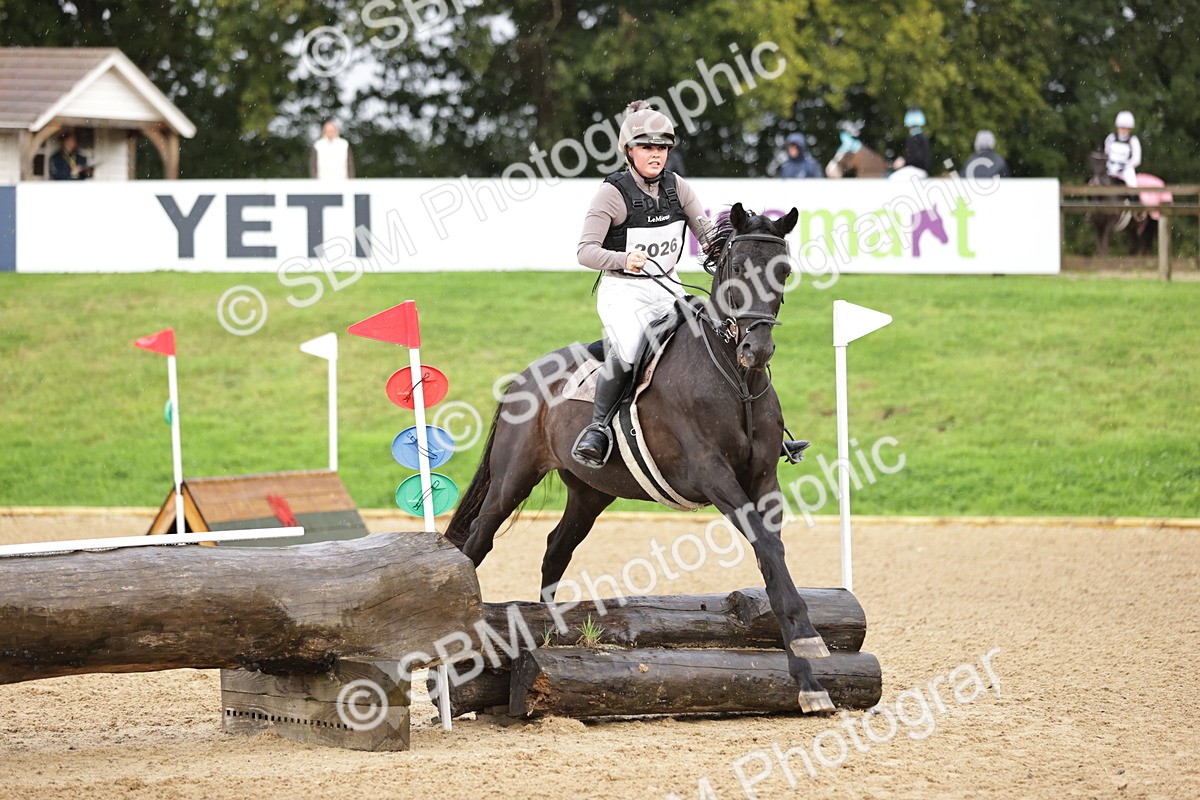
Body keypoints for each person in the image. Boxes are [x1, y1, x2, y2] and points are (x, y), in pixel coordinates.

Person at [572, 100, 715, 468]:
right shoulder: (612, 194)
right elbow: (585, 251)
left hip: (668, 285)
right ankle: (598, 428)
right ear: (629, 151)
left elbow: (708, 234)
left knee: (714, 335)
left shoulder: (677, 187)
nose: (656, 155)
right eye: (648, 147)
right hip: (624, 289)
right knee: (633, 349)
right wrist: (623, 259)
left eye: (662, 148)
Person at [1104, 110, 1141, 188]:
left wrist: (1125, 166)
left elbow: (1137, 159)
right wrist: (1110, 165)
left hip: (1126, 169)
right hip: (1110, 168)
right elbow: (1106, 153)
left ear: (1130, 129)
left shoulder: (1133, 140)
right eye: (1122, 128)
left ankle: (1132, 199)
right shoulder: (1111, 138)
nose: (1123, 130)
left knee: (1132, 184)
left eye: (1126, 128)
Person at [892, 107, 931, 175]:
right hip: (919, 170)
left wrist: (904, 161)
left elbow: (917, 157)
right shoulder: (921, 136)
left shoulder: (916, 137)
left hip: (916, 170)